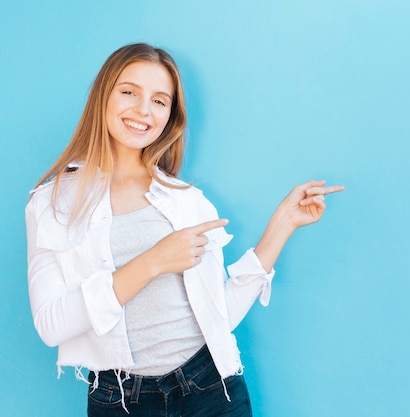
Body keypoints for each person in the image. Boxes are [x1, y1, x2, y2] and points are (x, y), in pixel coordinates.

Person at [25, 43, 344, 417]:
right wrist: (153, 261)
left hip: (211, 387)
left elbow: (216, 314)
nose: (143, 110)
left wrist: (284, 223)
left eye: (160, 101)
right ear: (103, 97)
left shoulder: (185, 200)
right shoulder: (52, 203)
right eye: (129, 92)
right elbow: (50, 325)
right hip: (121, 401)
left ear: (170, 116)